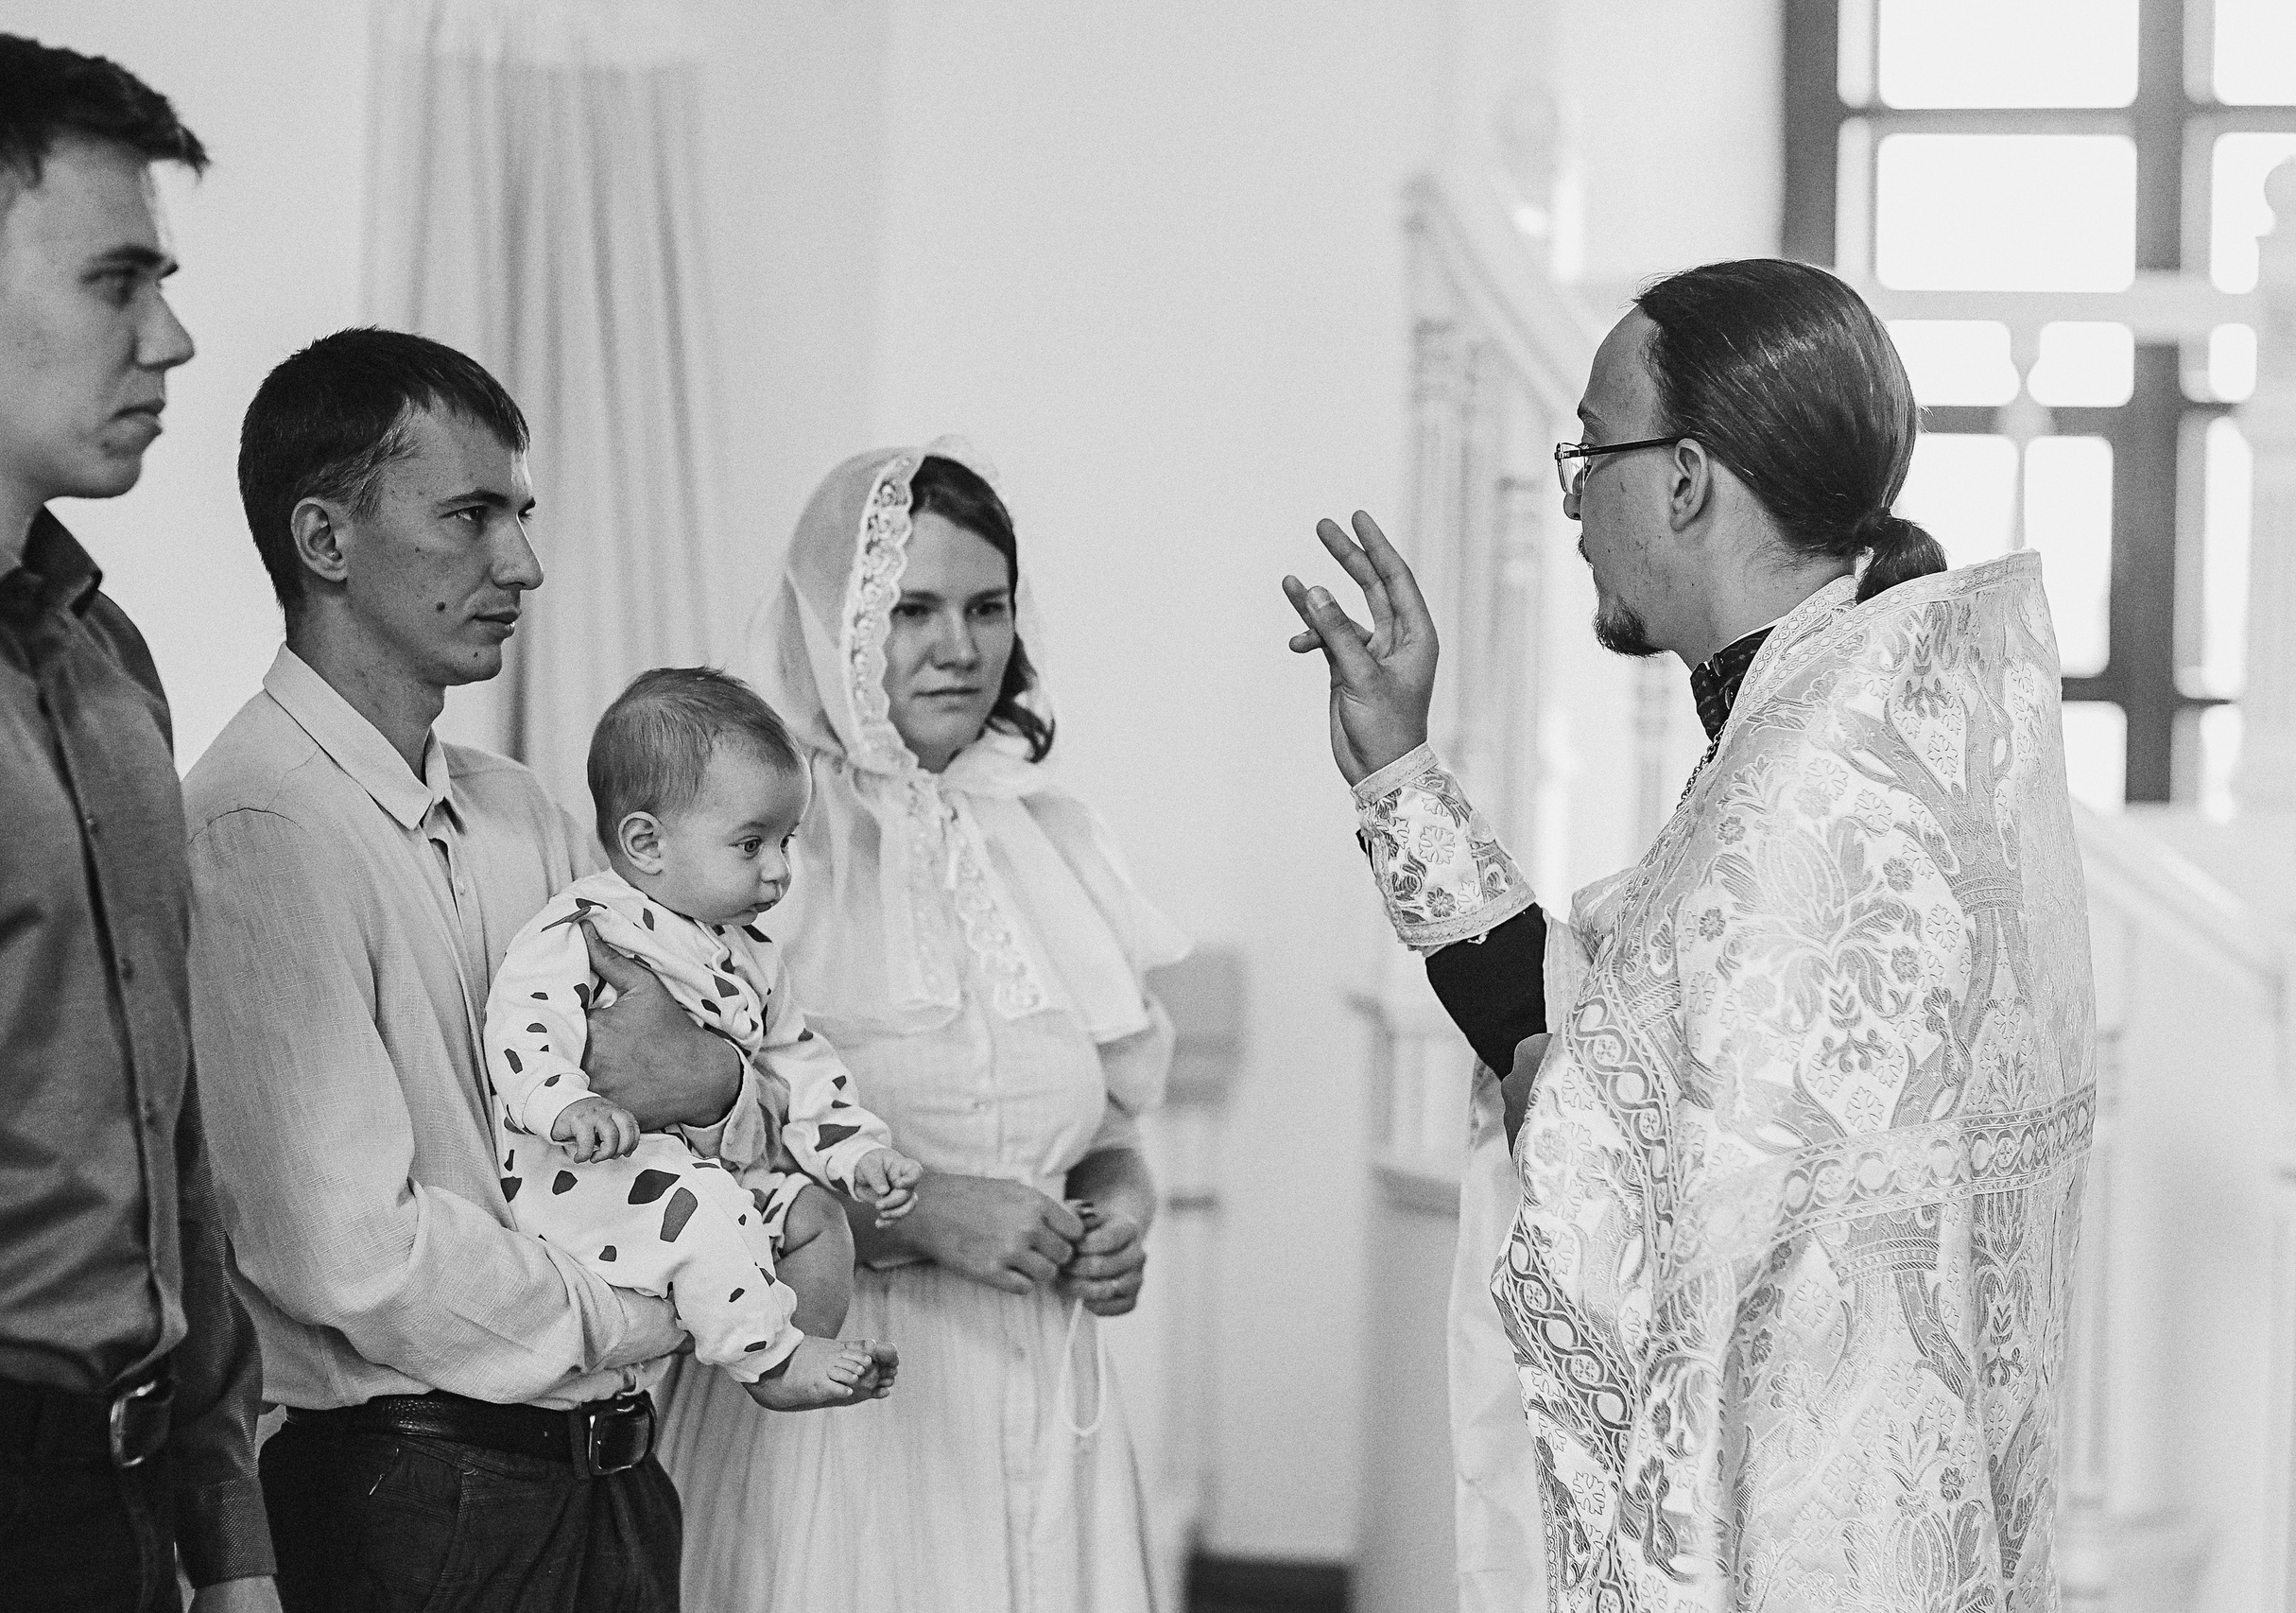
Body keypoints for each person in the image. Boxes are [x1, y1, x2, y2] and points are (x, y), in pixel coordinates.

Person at [1284, 259, 2096, 1611]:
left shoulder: (1814, 785)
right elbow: (1614, 1027)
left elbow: (1608, 1145)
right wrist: (1398, 775)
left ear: (1685, 477)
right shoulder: (1868, 725)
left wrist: (1566, 1093)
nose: (1576, 499)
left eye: (1592, 449)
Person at [186, 328, 759, 1613]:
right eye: (471, 515)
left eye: (522, 512)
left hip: (612, 1482)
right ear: (326, 541)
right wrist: (650, 1303)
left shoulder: (526, 812)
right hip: (415, 1506)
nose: (524, 561)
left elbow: (709, 1078)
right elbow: (355, 1255)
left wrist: (713, 1082)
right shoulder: (254, 829)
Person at [0, 26, 278, 1612]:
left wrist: (224, 1541)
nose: (172, 338)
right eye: (119, 282)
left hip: (116, 1512)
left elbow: (169, 1146)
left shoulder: (105, 663)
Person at [655, 444, 1191, 1611]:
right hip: (844, 1409)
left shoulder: (1052, 835)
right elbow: (677, 1173)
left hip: (1048, 1392)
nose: (959, 645)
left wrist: (1119, 1212)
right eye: (913, 609)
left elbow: (1106, 1124)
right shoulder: (750, 845)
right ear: (835, 620)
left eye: (987, 606)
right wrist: (920, 1214)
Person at [482, 666, 923, 1409]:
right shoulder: (588, 926)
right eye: (751, 845)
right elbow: (523, 1021)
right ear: (648, 843)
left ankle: (794, 1351)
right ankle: (773, 1362)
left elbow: (799, 1059)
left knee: (815, 1217)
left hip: (707, 1169)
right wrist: (563, 1105)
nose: (781, 871)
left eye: (787, 841)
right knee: (705, 1210)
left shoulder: (752, 951)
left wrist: (856, 1151)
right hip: (594, 1176)